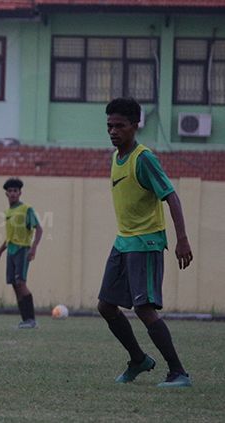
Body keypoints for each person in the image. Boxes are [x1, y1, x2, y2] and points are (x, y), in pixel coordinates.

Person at [98, 97, 193, 388]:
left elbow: (170, 196)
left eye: (120, 126)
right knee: (106, 306)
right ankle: (138, 359)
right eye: (109, 126)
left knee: (143, 308)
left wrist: (182, 239)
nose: (113, 131)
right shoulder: (116, 157)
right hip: (123, 242)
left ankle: (178, 373)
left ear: (135, 126)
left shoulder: (144, 158)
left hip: (146, 243)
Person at [0, 178, 42, 329]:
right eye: (10, 191)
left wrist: (33, 248)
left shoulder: (26, 209)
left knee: (21, 283)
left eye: (15, 191)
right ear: (6, 194)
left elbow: (38, 229)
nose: (13, 193)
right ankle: (25, 320)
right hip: (11, 251)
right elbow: (9, 237)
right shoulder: (8, 212)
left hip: (23, 249)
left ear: (20, 193)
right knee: (14, 285)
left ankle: (31, 320)